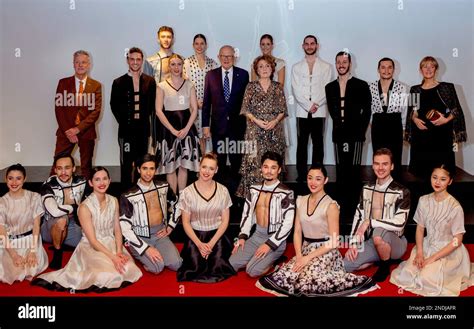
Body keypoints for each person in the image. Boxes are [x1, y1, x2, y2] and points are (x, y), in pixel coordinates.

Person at [256, 164, 375, 296]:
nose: (313, 182)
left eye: (318, 179)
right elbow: (297, 232)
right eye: (310, 178)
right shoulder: (300, 200)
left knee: (309, 283)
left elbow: (334, 241)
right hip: (306, 249)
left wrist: (307, 258)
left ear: (325, 180)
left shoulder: (331, 205)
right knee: (287, 277)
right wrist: (300, 256)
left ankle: (357, 265)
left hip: (325, 251)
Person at [33, 167, 142, 292]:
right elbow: (93, 241)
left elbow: (117, 229)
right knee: (106, 275)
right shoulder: (85, 207)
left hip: (111, 243)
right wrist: (113, 258)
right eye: (97, 180)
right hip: (92, 247)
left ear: (109, 180)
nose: (102, 183)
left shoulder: (114, 200)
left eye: (104, 179)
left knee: (129, 268)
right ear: (91, 183)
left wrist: (118, 252)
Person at [390, 164, 473, 296]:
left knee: (426, 279)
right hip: (426, 245)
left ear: (450, 181)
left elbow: (458, 239)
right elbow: (420, 229)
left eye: (443, 179)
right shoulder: (423, 200)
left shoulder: (455, 207)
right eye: (434, 177)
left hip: (448, 251)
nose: (437, 182)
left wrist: (432, 258)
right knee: (407, 275)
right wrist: (420, 253)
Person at [344, 148, 410, 282]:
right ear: (373, 165)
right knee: (346, 264)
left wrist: (370, 222)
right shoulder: (366, 188)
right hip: (372, 241)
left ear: (392, 166)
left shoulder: (402, 191)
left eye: (385, 164)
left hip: (396, 243)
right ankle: (379, 258)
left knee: (379, 231)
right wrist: (354, 243)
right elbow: (359, 216)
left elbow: (400, 223)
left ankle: (385, 267)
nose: (380, 168)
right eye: (377, 163)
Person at [229, 151, 295, 277]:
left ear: (279, 170)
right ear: (261, 168)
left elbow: (288, 224)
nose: (269, 171)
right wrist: (242, 237)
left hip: (276, 240)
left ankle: (273, 262)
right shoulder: (253, 189)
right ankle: (257, 258)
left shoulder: (286, 193)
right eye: (266, 167)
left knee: (251, 271)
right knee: (232, 263)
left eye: (273, 168)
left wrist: (269, 245)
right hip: (257, 236)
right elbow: (247, 215)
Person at [177, 153, 236, 282]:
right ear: (199, 167)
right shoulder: (187, 192)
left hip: (217, 236)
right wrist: (199, 244)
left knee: (218, 267)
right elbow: (186, 222)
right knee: (194, 268)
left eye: (211, 168)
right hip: (195, 236)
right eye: (204, 167)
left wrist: (211, 243)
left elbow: (225, 220)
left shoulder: (223, 190)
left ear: (216, 170)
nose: (207, 171)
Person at [405, 56, 467, 180]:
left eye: (431, 66)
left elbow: (456, 110)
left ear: (436, 69)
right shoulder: (414, 89)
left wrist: (446, 119)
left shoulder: (447, 87)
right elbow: (413, 112)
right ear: (420, 70)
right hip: (421, 136)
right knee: (421, 174)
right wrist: (415, 119)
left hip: (441, 136)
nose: (428, 69)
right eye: (425, 66)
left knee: (441, 173)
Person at [325, 51, 371, 217]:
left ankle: (355, 207)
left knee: (354, 171)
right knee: (341, 171)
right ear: (336, 64)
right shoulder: (329, 87)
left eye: (345, 62)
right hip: (338, 135)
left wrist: (360, 132)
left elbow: (366, 112)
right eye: (338, 62)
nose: (341, 65)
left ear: (350, 64)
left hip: (356, 135)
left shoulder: (361, 85)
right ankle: (342, 206)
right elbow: (333, 111)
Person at [119, 153, 182, 274]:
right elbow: (125, 228)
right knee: (157, 267)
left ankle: (159, 252)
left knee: (177, 264)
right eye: (144, 168)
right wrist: (146, 249)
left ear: (155, 170)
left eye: (151, 168)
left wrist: (170, 226)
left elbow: (178, 204)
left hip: (160, 235)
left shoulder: (163, 186)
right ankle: (139, 254)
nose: (148, 173)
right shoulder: (128, 195)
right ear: (138, 169)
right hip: (139, 237)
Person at [236, 54, 288, 198]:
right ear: (256, 70)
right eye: (260, 66)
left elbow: (283, 110)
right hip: (254, 131)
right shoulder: (251, 86)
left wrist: (275, 121)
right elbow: (245, 109)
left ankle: (273, 197)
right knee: (254, 164)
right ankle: (253, 198)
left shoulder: (277, 87)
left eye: (267, 66)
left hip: (274, 132)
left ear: (272, 68)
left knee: (273, 163)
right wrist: (257, 121)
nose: (264, 69)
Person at [202, 45, 249, 193]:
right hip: (218, 127)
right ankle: (219, 193)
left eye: (229, 56)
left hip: (237, 127)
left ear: (234, 57)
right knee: (219, 161)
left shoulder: (243, 74)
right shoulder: (211, 75)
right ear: (218, 57)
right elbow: (206, 102)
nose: (226, 59)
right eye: (223, 56)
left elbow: (246, 102)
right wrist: (205, 125)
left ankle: (237, 194)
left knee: (236, 161)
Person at [51, 50, 102, 180]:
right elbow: (59, 109)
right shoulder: (63, 83)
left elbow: (95, 111)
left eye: (83, 62)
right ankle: (51, 194)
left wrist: (78, 129)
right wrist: (69, 131)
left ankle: (85, 196)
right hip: (65, 132)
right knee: (57, 165)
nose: (80, 65)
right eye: (77, 62)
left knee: (86, 167)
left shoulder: (96, 85)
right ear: (73, 64)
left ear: (89, 65)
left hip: (86, 132)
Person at [110, 47, 157, 188]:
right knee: (126, 164)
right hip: (126, 131)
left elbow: (152, 106)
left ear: (142, 61)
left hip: (143, 129)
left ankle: (139, 193)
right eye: (132, 59)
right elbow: (114, 105)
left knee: (141, 163)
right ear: (127, 60)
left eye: (138, 59)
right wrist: (125, 122)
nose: (135, 62)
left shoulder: (150, 81)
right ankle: (125, 196)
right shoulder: (118, 82)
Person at [155, 54, 201, 194]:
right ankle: (172, 199)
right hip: (168, 130)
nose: (176, 67)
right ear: (169, 66)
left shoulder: (189, 85)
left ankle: (181, 199)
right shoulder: (161, 86)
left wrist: (186, 129)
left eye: (179, 64)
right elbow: (158, 110)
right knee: (170, 166)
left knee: (183, 165)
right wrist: (172, 130)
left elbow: (194, 109)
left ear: (183, 66)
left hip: (187, 129)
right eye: (173, 64)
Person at [291, 35, 332, 181]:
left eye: (312, 43)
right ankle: (301, 174)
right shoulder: (296, 67)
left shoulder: (326, 66)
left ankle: (317, 172)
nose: (309, 46)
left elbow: (327, 88)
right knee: (301, 143)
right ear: (303, 46)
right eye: (307, 44)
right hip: (302, 112)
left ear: (317, 46)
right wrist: (308, 105)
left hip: (319, 110)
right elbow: (295, 89)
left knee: (318, 143)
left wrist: (316, 104)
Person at [0, 164, 47, 284]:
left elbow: (36, 226)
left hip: (30, 240)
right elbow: (2, 232)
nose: (14, 182)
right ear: (6, 179)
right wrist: (13, 254)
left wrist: (32, 250)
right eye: (10, 178)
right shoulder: (1, 202)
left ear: (24, 179)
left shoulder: (34, 197)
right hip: (9, 243)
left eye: (18, 178)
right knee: (9, 273)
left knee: (30, 268)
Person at [41, 154, 86, 269]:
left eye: (67, 168)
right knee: (61, 220)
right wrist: (74, 207)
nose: (63, 172)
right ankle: (57, 254)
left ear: (74, 168)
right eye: (60, 168)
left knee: (88, 244)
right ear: (55, 170)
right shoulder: (48, 185)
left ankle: (64, 243)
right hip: (50, 225)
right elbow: (54, 212)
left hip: (73, 223)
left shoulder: (82, 182)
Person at [369, 57, 408, 178]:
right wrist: (372, 123)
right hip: (378, 124)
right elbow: (369, 109)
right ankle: (379, 185)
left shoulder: (401, 87)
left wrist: (403, 128)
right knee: (379, 156)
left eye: (390, 67)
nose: (386, 70)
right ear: (378, 69)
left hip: (394, 124)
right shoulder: (371, 87)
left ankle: (395, 187)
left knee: (394, 156)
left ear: (394, 70)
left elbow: (404, 109)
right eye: (383, 67)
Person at [183, 34, 219, 154]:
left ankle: (207, 166)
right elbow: (184, 85)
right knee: (195, 138)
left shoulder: (212, 63)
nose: (199, 46)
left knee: (207, 136)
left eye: (202, 43)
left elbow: (216, 87)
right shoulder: (187, 62)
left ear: (206, 45)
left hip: (209, 107)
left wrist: (208, 102)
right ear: (193, 45)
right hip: (193, 107)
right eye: (196, 43)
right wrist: (194, 102)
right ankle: (197, 168)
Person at [144, 26, 175, 154]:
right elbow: (146, 88)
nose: (166, 39)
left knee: (173, 138)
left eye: (168, 37)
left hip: (175, 106)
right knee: (157, 139)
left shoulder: (180, 60)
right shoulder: (150, 61)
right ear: (158, 39)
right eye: (163, 37)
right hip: (157, 107)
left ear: (172, 39)